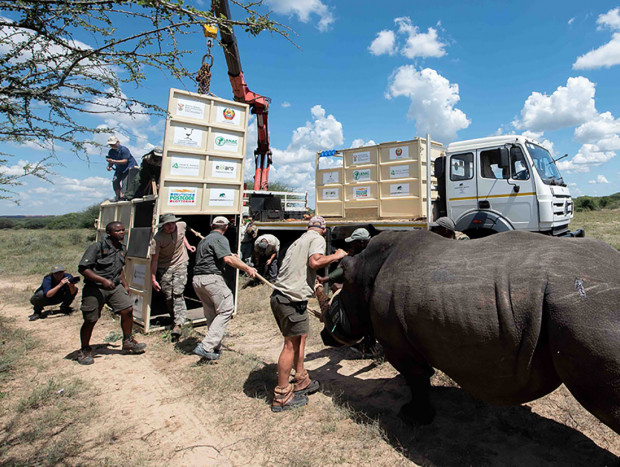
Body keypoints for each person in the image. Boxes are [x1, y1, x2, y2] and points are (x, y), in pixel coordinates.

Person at [270, 216, 347, 412]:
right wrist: (337, 255)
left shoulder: (298, 241)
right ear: (323, 230)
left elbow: (296, 268)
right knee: (290, 345)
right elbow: (315, 262)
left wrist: (310, 284)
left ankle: (301, 379)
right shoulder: (317, 238)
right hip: (291, 301)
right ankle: (282, 396)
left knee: (300, 337)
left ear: (307, 227)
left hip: (281, 298)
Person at [76, 221, 146, 365]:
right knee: (90, 319)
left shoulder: (121, 248)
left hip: (114, 286)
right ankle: (84, 350)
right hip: (95, 287)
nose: (122, 233)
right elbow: (83, 268)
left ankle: (128, 341)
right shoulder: (97, 247)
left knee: (127, 309)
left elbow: (119, 269)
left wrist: (125, 285)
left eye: (123, 230)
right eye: (118, 231)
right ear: (109, 233)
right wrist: (102, 280)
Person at [192, 216, 257, 361]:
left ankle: (213, 348)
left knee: (212, 314)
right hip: (211, 279)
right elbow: (228, 260)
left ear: (211, 226)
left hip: (197, 280)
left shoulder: (205, 240)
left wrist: (229, 255)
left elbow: (222, 256)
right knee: (227, 308)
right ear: (226, 227)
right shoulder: (220, 239)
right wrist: (247, 268)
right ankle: (207, 346)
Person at [150, 213, 196, 342]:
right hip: (164, 267)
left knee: (178, 292)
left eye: (172, 223)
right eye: (167, 224)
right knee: (169, 295)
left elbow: (182, 235)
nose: (171, 226)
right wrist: (153, 278)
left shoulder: (181, 225)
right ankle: (174, 317)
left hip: (181, 263)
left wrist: (187, 246)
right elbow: (154, 260)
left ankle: (178, 324)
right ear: (163, 226)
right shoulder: (157, 239)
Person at [106, 135, 138, 201]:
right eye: (110, 144)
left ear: (117, 142)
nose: (112, 145)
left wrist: (113, 161)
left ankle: (124, 196)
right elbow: (110, 161)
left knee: (125, 183)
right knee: (115, 181)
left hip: (129, 168)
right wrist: (109, 166)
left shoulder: (124, 150)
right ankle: (118, 197)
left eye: (113, 144)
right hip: (119, 169)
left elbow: (124, 161)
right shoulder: (111, 152)